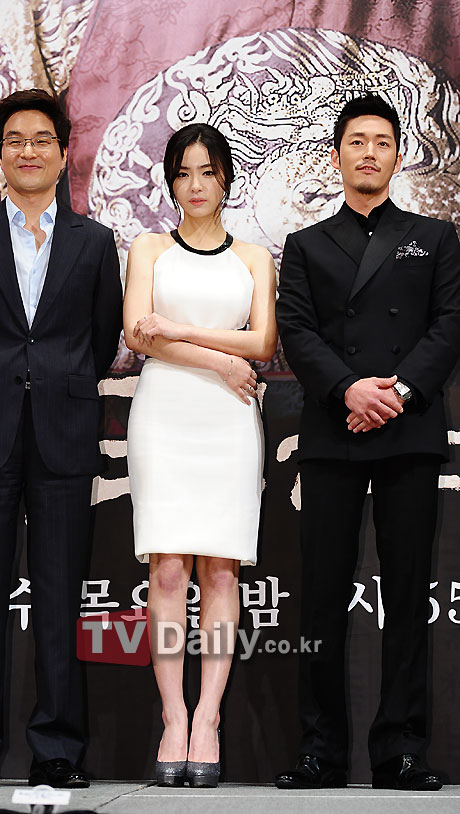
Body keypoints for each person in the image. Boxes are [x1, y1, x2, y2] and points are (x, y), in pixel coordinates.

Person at [0, 89, 122, 789]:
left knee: (59, 597)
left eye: (43, 139)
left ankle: (58, 749)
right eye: (16, 139)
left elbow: (101, 339)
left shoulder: (94, 243)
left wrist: (56, 383)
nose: (29, 150)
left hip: (64, 434)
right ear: (0, 152)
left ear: (64, 153)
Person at [275, 93, 460, 791]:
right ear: (336, 155)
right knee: (322, 594)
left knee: (408, 595)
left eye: (382, 142)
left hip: (408, 431)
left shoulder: (434, 237)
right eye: (357, 141)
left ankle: (401, 750)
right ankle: (319, 750)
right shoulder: (306, 244)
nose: (370, 153)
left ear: (398, 157)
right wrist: (350, 390)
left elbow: (450, 323)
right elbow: (297, 331)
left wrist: (397, 392)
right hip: (334, 431)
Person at [123, 123, 277, 787]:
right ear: (169, 182)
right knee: (166, 571)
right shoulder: (150, 248)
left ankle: (209, 716)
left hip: (228, 421)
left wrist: (178, 330)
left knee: (220, 572)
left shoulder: (254, 257)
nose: (195, 185)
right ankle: (173, 716)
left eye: (207, 172)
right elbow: (138, 334)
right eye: (183, 173)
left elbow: (263, 344)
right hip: (164, 415)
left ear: (227, 180)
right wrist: (219, 359)